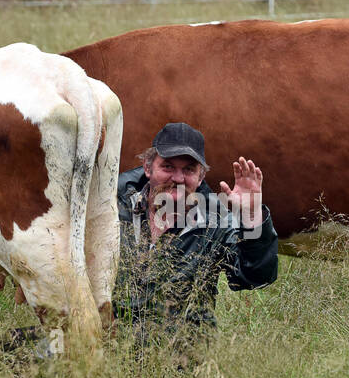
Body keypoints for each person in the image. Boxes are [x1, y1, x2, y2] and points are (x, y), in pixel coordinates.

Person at [113, 122, 279, 365]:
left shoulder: (216, 220)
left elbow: (253, 277)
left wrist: (252, 217)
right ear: (148, 168)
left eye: (189, 169)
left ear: (201, 176)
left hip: (180, 361)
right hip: (111, 352)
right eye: (168, 166)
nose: (178, 178)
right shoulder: (112, 204)